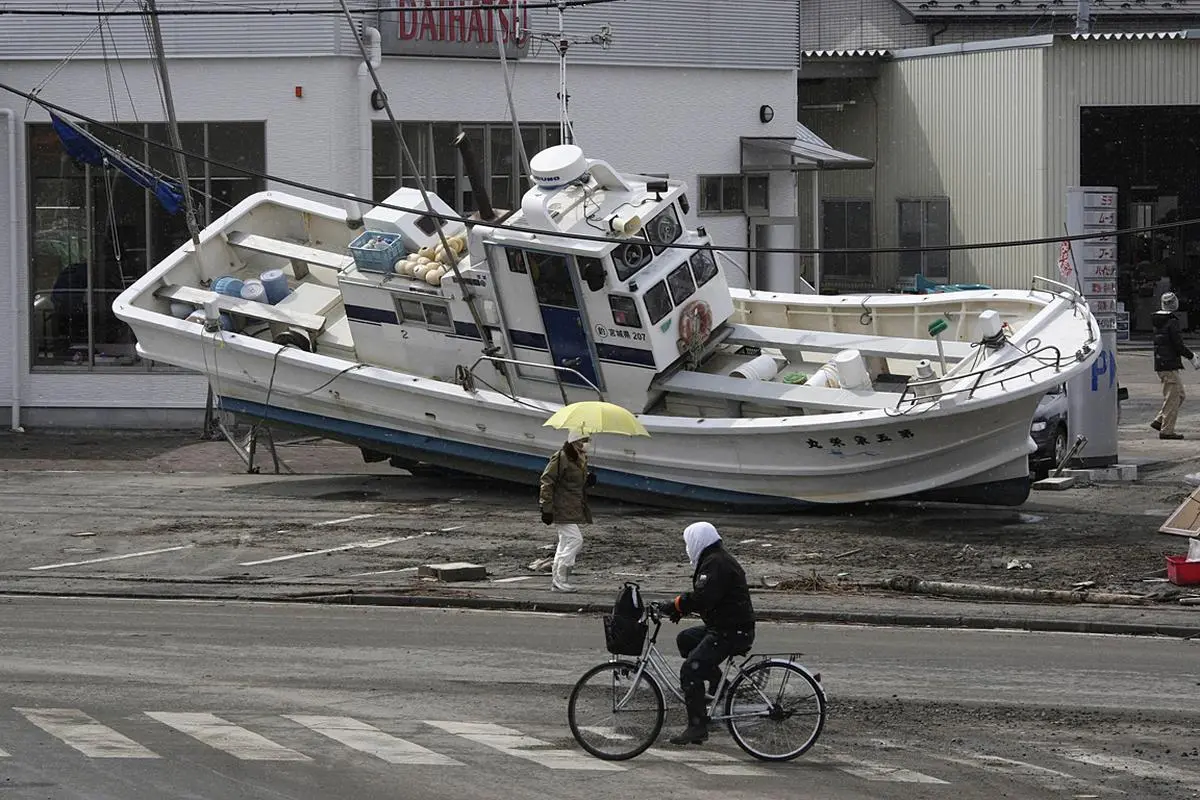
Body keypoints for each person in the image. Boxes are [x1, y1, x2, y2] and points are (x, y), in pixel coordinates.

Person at [656, 521, 755, 746]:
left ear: (698, 541)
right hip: (726, 626)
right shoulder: (714, 559)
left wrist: (676, 604)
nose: (687, 548)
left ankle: (697, 727)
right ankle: (721, 686)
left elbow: (704, 597)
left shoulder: (716, 563)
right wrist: (680, 609)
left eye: (688, 543)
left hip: (731, 631)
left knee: (690, 671)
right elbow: (707, 598)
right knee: (686, 639)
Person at [538, 433, 596, 593]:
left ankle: (558, 580)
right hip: (561, 506)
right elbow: (547, 481)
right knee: (575, 540)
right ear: (575, 441)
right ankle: (560, 578)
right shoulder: (562, 457)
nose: (587, 443)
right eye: (585, 440)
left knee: (565, 542)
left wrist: (587, 479)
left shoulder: (580, 457)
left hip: (571, 506)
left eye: (588, 440)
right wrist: (546, 507)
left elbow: (572, 482)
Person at [1151, 292, 1197, 440]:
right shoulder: (1171, 321)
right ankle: (1167, 430)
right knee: (1174, 397)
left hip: (1162, 362)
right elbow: (1178, 344)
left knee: (1179, 395)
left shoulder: (1159, 320)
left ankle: (1160, 420)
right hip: (1168, 364)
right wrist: (1191, 357)